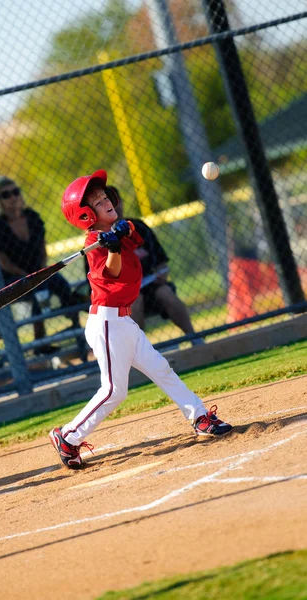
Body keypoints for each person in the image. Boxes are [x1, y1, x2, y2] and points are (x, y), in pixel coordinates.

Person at [49, 170, 232, 469]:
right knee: (113, 391)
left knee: (161, 368)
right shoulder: (94, 245)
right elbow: (114, 273)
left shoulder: (117, 230)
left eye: (104, 195)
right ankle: (67, 436)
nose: (104, 199)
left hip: (124, 322)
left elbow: (134, 232)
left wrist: (121, 232)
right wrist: (112, 248)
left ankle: (199, 418)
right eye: (95, 200)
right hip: (107, 324)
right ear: (85, 214)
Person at [0, 176, 80, 354]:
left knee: (60, 283)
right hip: (14, 276)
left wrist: (41, 269)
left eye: (15, 192)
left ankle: (76, 327)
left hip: (38, 271)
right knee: (37, 289)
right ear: (0, 201)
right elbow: (3, 261)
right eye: (6, 195)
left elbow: (42, 248)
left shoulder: (32, 217)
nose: (13, 197)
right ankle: (40, 343)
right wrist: (26, 275)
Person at [107, 187, 203, 345]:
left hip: (150, 284)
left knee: (166, 293)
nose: (116, 207)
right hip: (124, 293)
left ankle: (194, 337)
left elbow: (161, 261)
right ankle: (139, 350)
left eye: (118, 202)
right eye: (110, 203)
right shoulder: (101, 239)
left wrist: (161, 274)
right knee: (136, 301)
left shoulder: (138, 227)